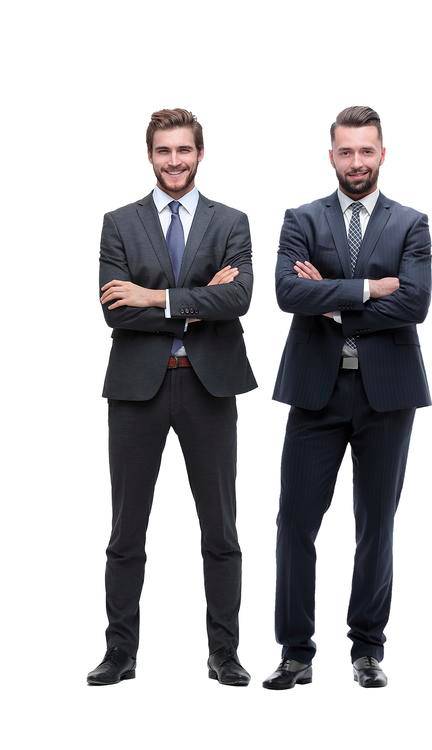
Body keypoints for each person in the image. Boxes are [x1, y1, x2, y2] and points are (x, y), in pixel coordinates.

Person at [263, 106, 432, 690]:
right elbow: (288, 291)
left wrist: (329, 298)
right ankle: (295, 651)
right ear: (330, 154)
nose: (356, 162)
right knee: (295, 523)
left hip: (388, 394)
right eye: (345, 151)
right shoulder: (302, 219)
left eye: (366, 151)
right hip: (316, 390)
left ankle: (367, 648)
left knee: (376, 523)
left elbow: (415, 303)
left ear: (382, 154)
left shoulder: (410, 222)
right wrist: (366, 288)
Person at [91, 108, 256, 687]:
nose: (174, 161)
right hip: (137, 389)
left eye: (183, 150)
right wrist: (191, 300)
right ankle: (120, 652)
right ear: (150, 156)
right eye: (164, 151)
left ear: (199, 153)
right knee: (126, 527)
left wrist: (152, 296)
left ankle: (225, 653)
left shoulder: (230, 221)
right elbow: (114, 308)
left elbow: (237, 300)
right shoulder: (119, 222)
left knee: (221, 528)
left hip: (210, 387)